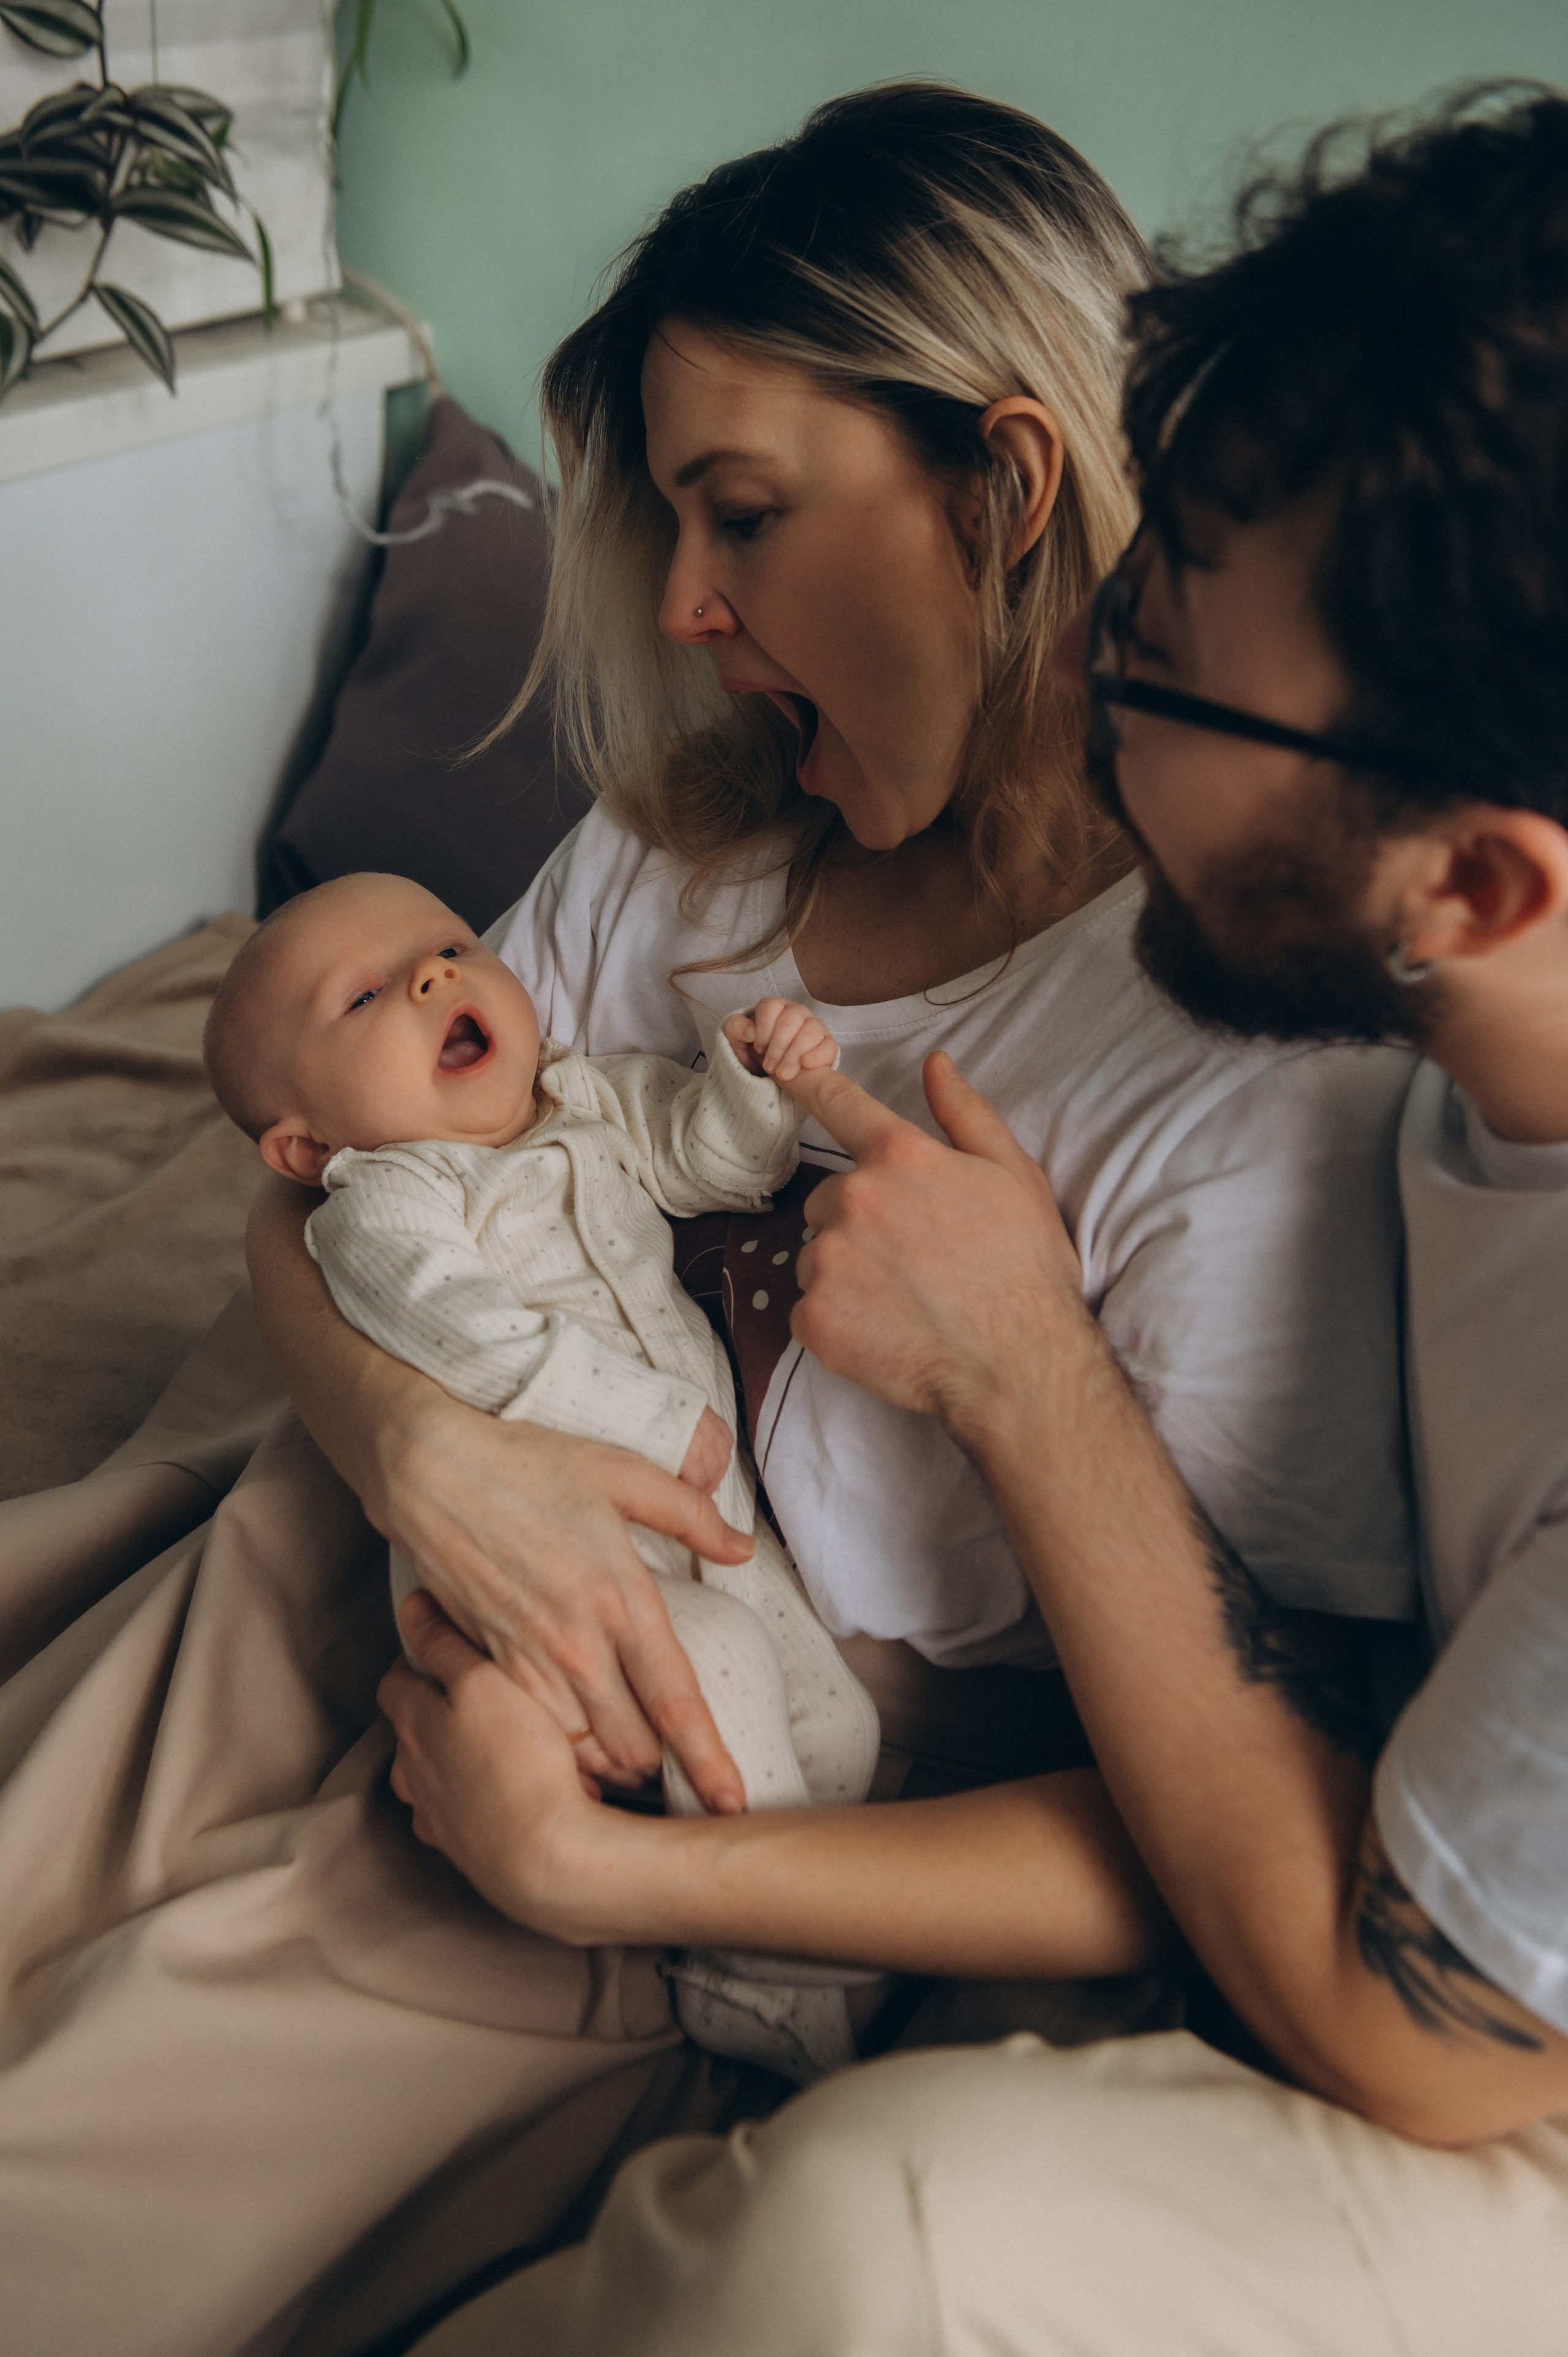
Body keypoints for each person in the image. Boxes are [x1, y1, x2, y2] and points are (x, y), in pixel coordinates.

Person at [0, 84, 1408, 2352]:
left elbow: (1247, 1812)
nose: (681, 607)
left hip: (640, 1805)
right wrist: (418, 1453)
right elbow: (324, 1185)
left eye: (741, 514)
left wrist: (629, 1857)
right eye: (669, 523)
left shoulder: (1230, 1082)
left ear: (1008, 487)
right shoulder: (693, 860)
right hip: (310, 1544)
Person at [379, 85, 1568, 2355]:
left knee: (866, 2228)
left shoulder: (1257, 1096)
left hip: (1457, 2061)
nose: (1086, 690)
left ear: (1479, 881)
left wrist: (1022, 1361)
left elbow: (1413, 2012)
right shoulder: (1444, 1073)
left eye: (1165, 670)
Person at [205, 868, 880, 2084]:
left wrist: (748, 1079)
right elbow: (467, 1333)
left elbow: (712, 1164)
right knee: (718, 1671)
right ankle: (754, 1977)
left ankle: (817, 1893)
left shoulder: (588, 1100)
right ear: (305, 1143)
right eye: (364, 998)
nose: (432, 976)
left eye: (451, 945)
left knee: (841, 1724)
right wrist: (647, 1416)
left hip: (707, 1519)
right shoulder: (382, 1202)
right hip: (536, 1554)